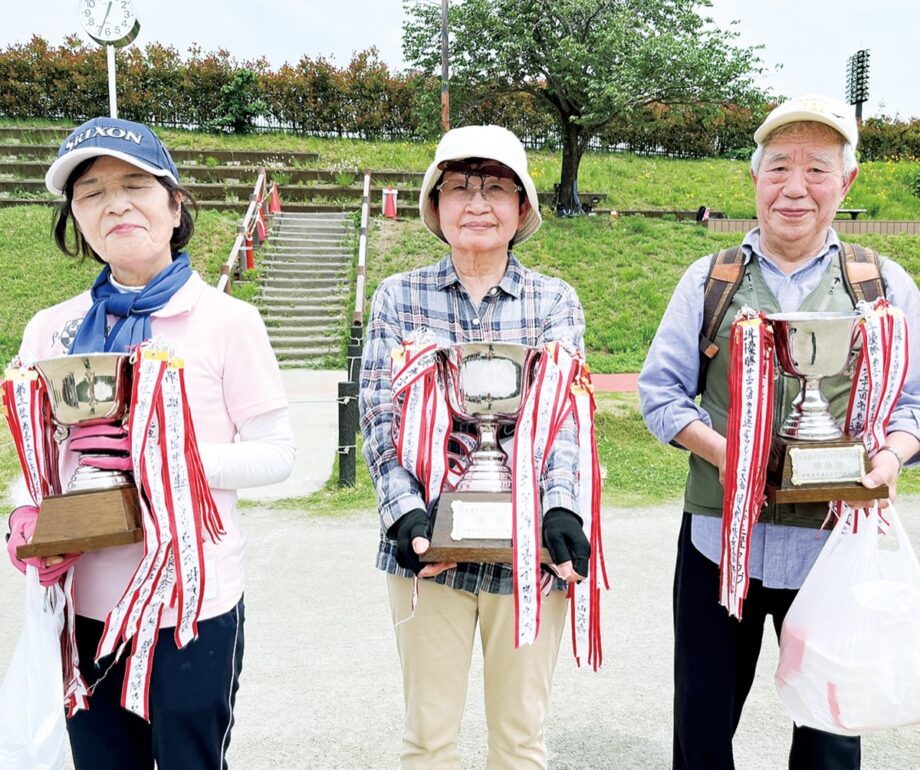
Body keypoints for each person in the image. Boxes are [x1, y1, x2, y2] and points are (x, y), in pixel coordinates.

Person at [639, 93, 920, 769]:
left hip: (832, 546)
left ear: (846, 182)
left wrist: (888, 460)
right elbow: (660, 396)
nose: (796, 187)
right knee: (702, 734)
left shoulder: (881, 286)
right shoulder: (710, 281)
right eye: (779, 168)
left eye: (817, 169)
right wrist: (731, 457)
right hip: (718, 542)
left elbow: (913, 404)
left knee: (829, 742)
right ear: (755, 178)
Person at [4, 117, 295, 769]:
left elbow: (277, 452)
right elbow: (41, 461)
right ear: (78, 219)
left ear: (175, 205)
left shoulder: (228, 322)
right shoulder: (51, 329)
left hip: (192, 607)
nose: (115, 205)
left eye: (135, 185)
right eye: (92, 193)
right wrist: (25, 515)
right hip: (85, 606)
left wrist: (165, 463)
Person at [359, 124, 591, 769]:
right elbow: (379, 413)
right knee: (428, 739)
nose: (478, 203)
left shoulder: (554, 301)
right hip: (428, 551)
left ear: (522, 207)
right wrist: (405, 515)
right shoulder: (398, 296)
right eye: (460, 186)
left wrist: (560, 508)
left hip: (531, 554)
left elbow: (565, 418)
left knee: (520, 741)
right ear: (436, 204)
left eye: (496, 187)